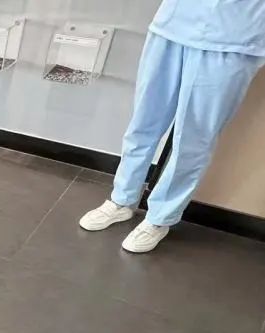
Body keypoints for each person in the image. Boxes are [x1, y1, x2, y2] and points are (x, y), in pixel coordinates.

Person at [79, 0, 265, 253]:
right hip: (172, 25)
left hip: (233, 38)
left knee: (194, 139)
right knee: (143, 123)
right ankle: (121, 199)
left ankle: (160, 219)